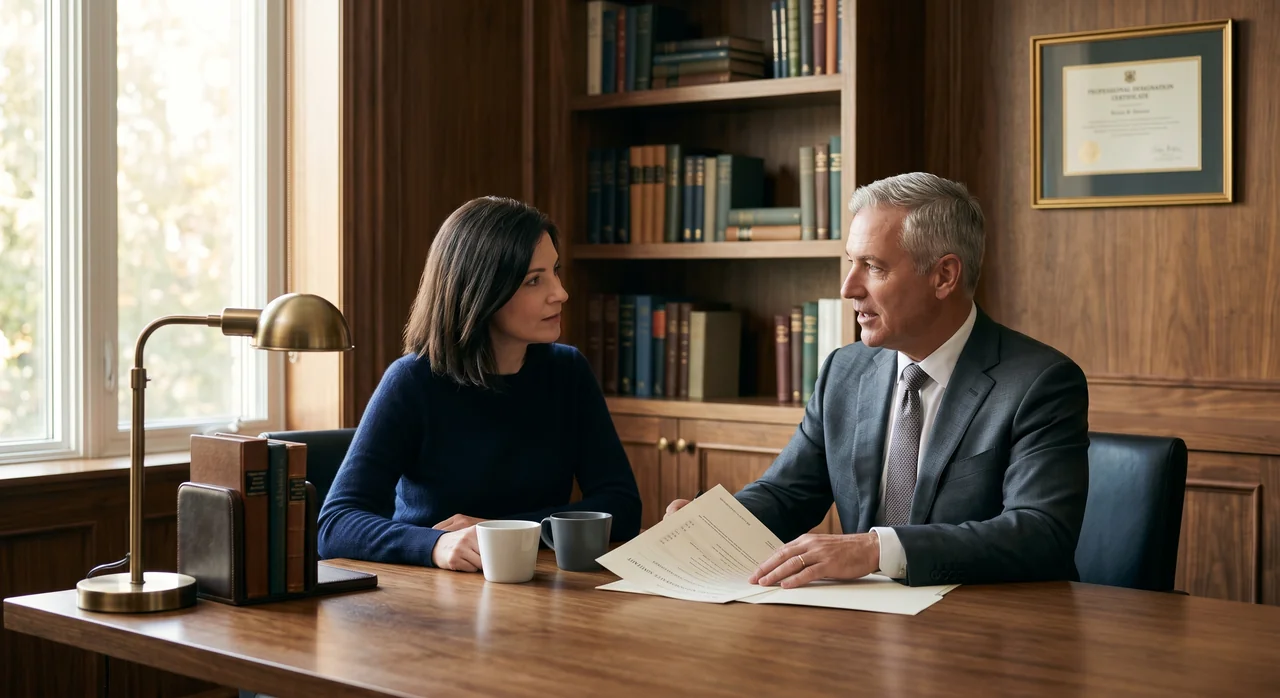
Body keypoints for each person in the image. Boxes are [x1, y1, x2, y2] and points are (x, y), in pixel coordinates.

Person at [666, 172, 1089, 588]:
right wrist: (712, 524)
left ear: (944, 276)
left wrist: (876, 550)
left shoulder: (1040, 382)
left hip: (992, 630)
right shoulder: (844, 371)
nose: (848, 288)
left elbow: (1041, 533)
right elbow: (787, 495)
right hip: (863, 627)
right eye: (852, 262)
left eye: (872, 266)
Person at [319, 196, 642, 572]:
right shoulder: (412, 381)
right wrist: (435, 544)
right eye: (534, 280)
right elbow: (335, 525)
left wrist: (501, 530)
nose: (561, 293)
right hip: (431, 596)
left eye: (555, 271)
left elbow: (621, 506)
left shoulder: (568, 372)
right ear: (482, 290)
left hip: (537, 589)